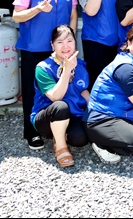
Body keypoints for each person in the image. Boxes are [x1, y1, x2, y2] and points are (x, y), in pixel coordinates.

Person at [12, 0, 78, 151]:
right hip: (34, 47)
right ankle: (32, 132)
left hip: (60, 49)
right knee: (32, 91)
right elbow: (16, 16)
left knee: (62, 86)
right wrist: (37, 9)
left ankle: (57, 127)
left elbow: (73, 13)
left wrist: (70, 40)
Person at [84, 24, 133, 164]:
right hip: (100, 120)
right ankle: (101, 144)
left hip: (117, 115)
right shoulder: (126, 67)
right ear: (129, 43)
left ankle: (122, 138)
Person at [30, 25, 90, 168]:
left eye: (69, 41)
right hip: (47, 116)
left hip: (73, 113)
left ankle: (62, 134)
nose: (65, 46)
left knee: (80, 139)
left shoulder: (81, 65)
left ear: (75, 43)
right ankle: (60, 147)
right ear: (52, 45)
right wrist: (66, 71)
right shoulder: (43, 67)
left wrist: (96, 110)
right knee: (61, 107)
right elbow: (55, 97)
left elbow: (83, 91)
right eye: (60, 42)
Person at [78, 0, 124, 91]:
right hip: (96, 43)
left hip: (116, 43)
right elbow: (90, 10)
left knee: (112, 85)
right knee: (97, 85)